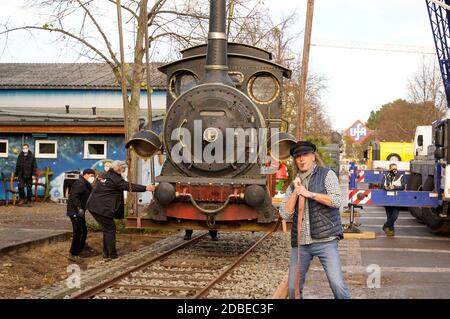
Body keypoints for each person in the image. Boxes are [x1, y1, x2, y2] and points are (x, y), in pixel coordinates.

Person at [279, 141, 350, 299]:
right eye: (297, 157)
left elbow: (337, 201)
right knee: (292, 290)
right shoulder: (294, 184)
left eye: (305, 155)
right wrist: (297, 192)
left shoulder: (327, 174)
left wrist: (309, 194)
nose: (301, 159)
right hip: (301, 243)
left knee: (337, 285)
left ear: (313, 156)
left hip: (326, 240)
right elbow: (284, 214)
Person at [86, 160, 155, 259]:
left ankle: (106, 253)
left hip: (94, 205)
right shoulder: (116, 179)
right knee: (110, 229)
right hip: (102, 208)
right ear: (119, 169)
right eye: (123, 169)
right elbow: (129, 186)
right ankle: (112, 255)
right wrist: (146, 188)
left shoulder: (104, 174)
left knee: (107, 229)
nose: (124, 171)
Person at [66, 169, 96, 258]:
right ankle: (73, 253)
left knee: (83, 231)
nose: (92, 177)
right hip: (75, 211)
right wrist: (79, 208)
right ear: (85, 175)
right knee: (78, 232)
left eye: (93, 176)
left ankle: (81, 249)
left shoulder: (86, 184)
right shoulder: (80, 183)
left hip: (80, 211)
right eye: (91, 175)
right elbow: (74, 196)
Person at [380, 163, 406, 236]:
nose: (394, 170)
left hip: (396, 199)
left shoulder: (400, 176)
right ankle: (391, 231)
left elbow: (403, 187)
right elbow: (382, 185)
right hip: (387, 199)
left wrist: (394, 187)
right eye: (393, 169)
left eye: (396, 168)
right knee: (389, 216)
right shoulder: (385, 176)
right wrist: (386, 187)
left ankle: (385, 226)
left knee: (395, 216)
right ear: (390, 169)